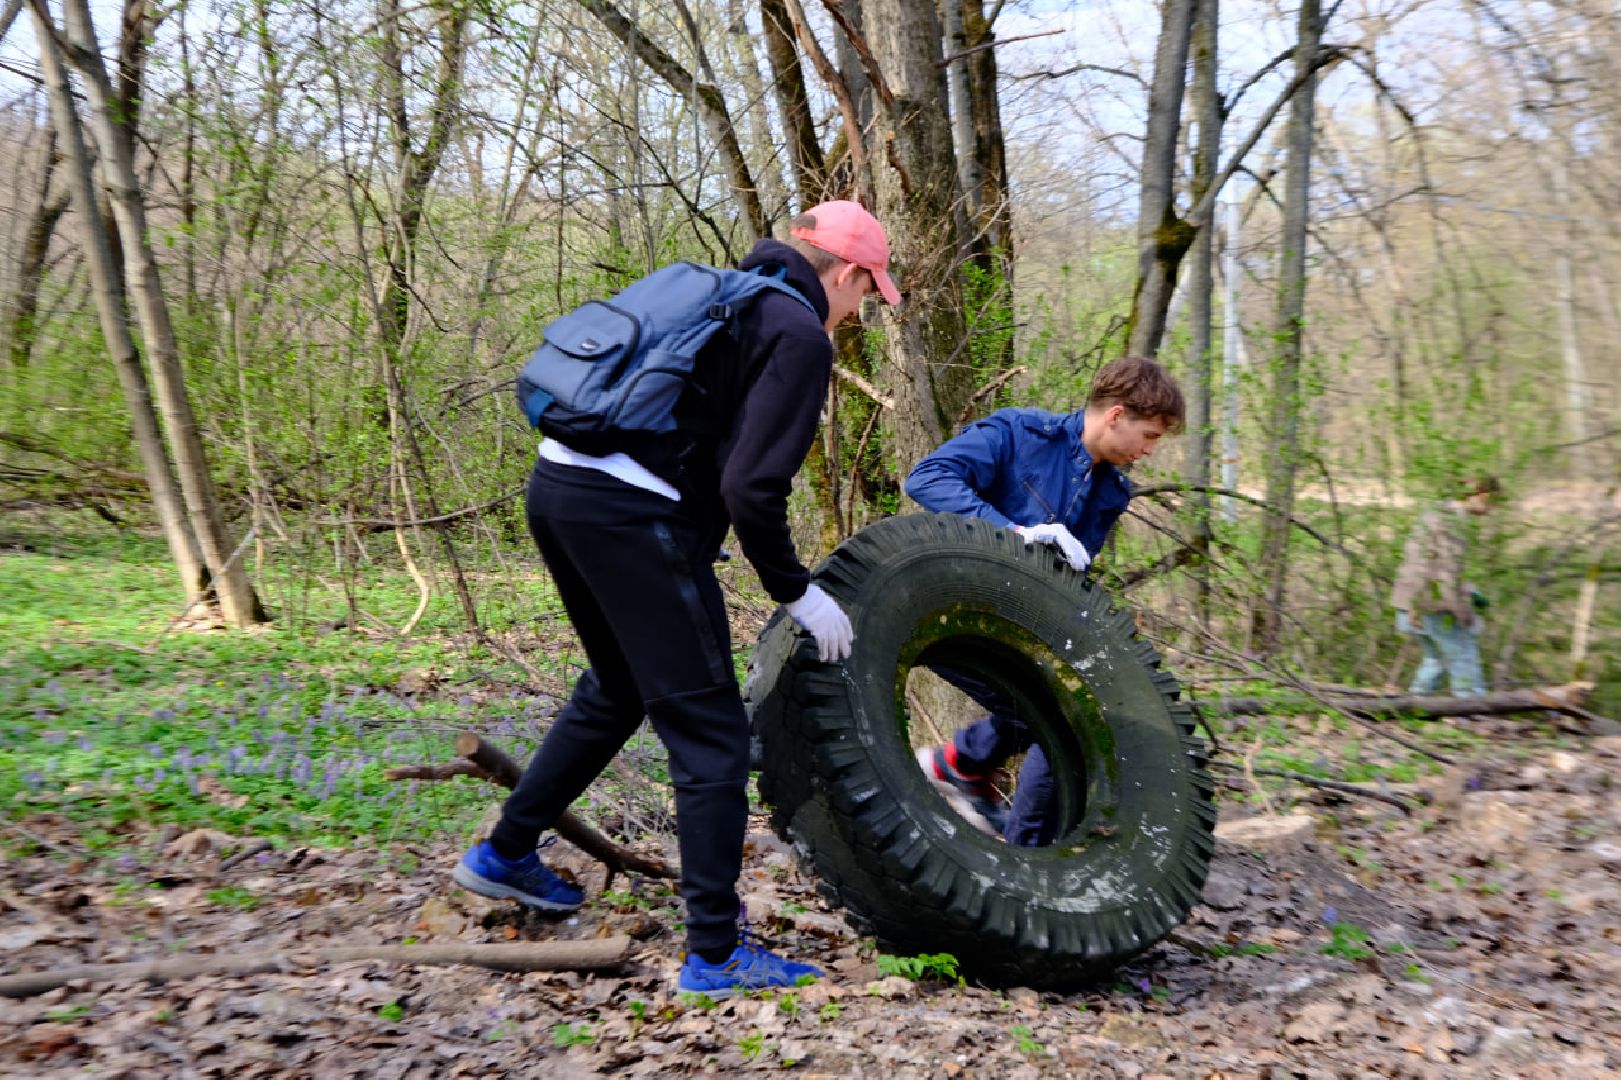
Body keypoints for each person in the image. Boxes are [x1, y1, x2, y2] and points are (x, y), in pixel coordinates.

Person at [452, 201, 899, 997]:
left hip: (558, 488)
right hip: (626, 515)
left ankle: (504, 853)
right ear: (848, 272)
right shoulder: (798, 336)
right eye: (868, 293)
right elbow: (751, 486)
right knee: (711, 735)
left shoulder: (728, 294)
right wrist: (796, 591)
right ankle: (717, 954)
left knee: (620, 686)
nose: (861, 310)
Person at [903, 356, 1184, 845]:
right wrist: (1014, 534)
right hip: (946, 603)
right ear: (1116, 415)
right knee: (1053, 716)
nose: (1150, 451)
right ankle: (1016, 843)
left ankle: (965, 772)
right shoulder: (1020, 432)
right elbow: (927, 478)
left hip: (1014, 629)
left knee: (1072, 708)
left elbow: (1070, 577)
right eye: (1150, 436)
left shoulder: (1112, 492)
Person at [1391, 476, 1498, 697]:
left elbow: (1430, 561)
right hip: (1431, 603)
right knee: (1464, 654)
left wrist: (1470, 591)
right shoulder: (1453, 521)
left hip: (1411, 597)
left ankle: (1415, 704)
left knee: (1436, 658)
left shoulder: (1437, 512)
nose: (1491, 509)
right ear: (1478, 494)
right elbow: (1445, 573)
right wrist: (1462, 611)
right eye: (1491, 501)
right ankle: (1473, 712)